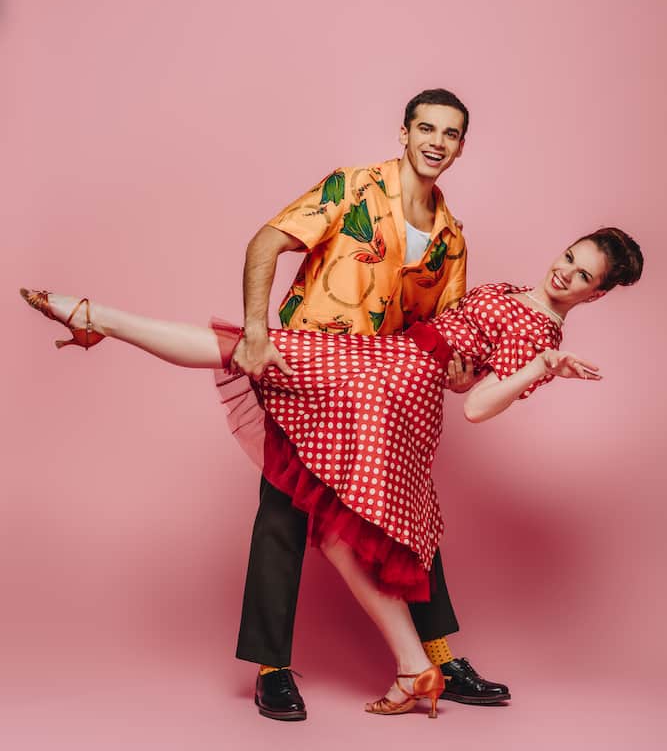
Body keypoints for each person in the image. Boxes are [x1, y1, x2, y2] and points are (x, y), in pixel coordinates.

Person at [20, 229, 643, 719]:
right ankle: (413, 667)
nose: (564, 272)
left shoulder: (543, 333)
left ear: (595, 295)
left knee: (262, 365)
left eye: (582, 275)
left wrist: (541, 368)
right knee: (265, 366)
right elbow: (462, 362)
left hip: (395, 388)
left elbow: (478, 406)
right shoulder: (511, 292)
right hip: (388, 360)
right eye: (569, 256)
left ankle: (97, 316)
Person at [229, 88, 509, 721]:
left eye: (452, 134)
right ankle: (272, 668)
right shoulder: (351, 187)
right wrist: (253, 330)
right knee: (284, 513)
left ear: (462, 147)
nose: (438, 142)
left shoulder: (451, 240)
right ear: (404, 134)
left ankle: (437, 656)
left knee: (411, 513)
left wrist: (465, 374)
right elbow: (265, 243)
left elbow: (442, 343)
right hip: (306, 374)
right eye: (427, 129)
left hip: (379, 396)